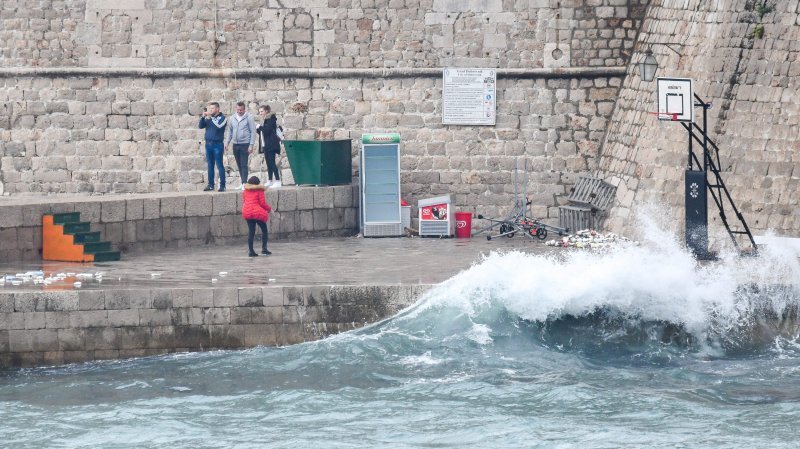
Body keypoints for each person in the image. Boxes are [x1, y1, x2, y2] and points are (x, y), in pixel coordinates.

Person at [225, 101, 257, 189]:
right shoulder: (232, 118)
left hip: (245, 144)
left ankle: (244, 183)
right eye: (238, 110)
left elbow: (253, 132)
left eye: (241, 110)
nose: (239, 111)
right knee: (239, 164)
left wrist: (251, 145)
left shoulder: (249, 117)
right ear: (236, 109)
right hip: (235, 144)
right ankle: (242, 182)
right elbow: (230, 132)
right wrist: (227, 142)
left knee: (244, 164)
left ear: (244, 109)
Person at [198, 102, 227, 192]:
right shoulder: (209, 119)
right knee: (210, 165)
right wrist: (203, 117)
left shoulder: (223, 118)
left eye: (213, 108)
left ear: (217, 109)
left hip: (217, 145)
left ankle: (222, 185)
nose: (210, 110)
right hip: (208, 145)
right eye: (210, 109)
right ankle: (210, 185)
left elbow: (218, 126)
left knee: (219, 165)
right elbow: (200, 126)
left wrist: (211, 118)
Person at [241, 175, 273, 257]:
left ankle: (251, 251)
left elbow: (245, 201)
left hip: (247, 212)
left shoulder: (245, 191)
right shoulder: (259, 191)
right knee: (264, 230)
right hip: (257, 212)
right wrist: (270, 209)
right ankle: (264, 249)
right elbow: (262, 204)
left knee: (251, 232)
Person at [256, 104, 282, 188]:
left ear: (266, 111)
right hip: (265, 145)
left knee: (272, 162)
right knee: (268, 163)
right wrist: (258, 129)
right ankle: (270, 180)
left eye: (262, 111)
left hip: (271, 144)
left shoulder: (271, 119)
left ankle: (278, 181)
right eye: (259, 112)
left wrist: (259, 127)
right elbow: (262, 133)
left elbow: (267, 131)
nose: (260, 113)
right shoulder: (263, 120)